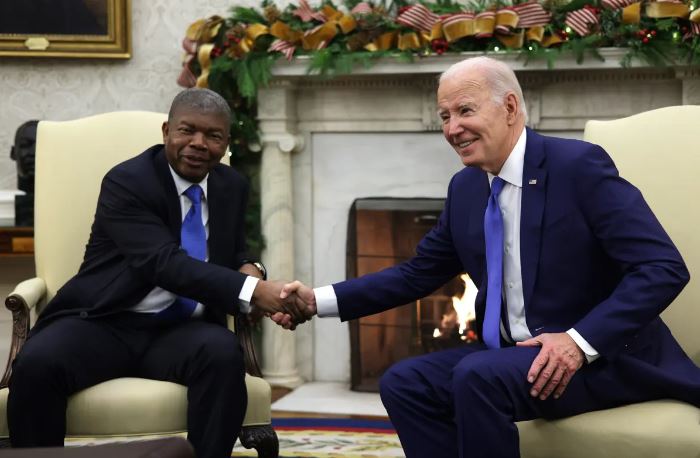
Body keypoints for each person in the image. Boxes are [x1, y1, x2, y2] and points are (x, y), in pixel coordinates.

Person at [276, 56, 700, 457]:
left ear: (510, 107)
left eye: (464, 111)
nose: (453, 128)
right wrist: (316, 301)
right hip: (513, 358)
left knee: (478, 376)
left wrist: (577, 342)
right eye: (445, 116)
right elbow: (417, 274)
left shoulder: (578, 167)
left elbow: (662, 267)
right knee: (405, 381)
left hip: (599, 358)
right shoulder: (467, 188)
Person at [7, 88, 302, 458]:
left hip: (181, 332)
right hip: (104, 321)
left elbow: (234, 252)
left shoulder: (231, 186)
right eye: (187, 130)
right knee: (37, 363)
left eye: (212, 136)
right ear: (166, 131)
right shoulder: (128, 181)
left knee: (223, 354)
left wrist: (253, 271)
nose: (198, 144)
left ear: (226, 142)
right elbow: (163, 263)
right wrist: (255, 292)